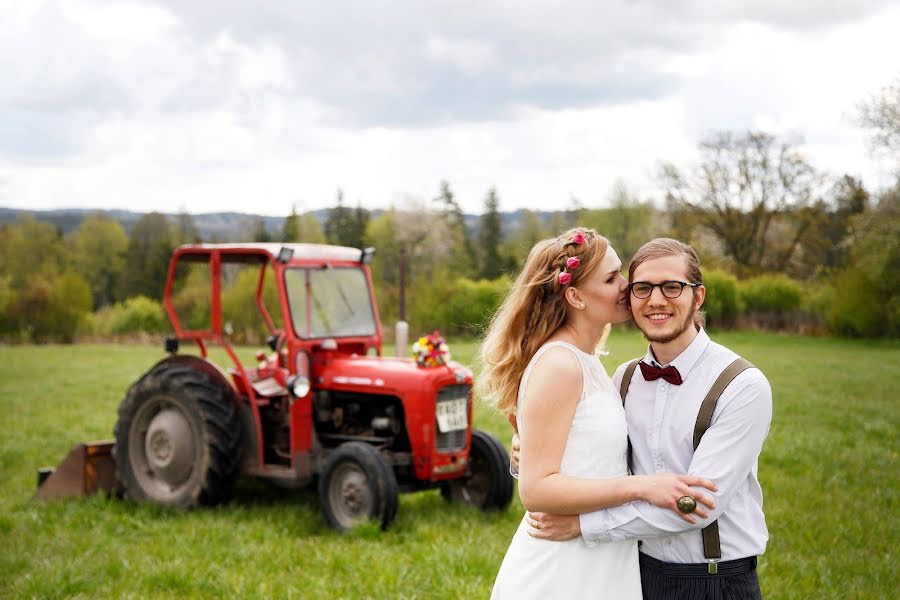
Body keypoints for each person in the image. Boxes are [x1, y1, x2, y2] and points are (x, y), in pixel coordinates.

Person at [514, 238, 773, 600]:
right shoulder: (623, 378)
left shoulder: (741, 386)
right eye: (642, 288)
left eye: (672, 287)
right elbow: (585, 447)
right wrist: (526, 452)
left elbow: (697, 504)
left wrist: (585, 525)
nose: (655, 300)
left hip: (713, 582)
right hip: (633, 574)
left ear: (698, 297)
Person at [481, 229, 718, 599]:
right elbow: (536, 489)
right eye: (611, 279)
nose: (627, 287)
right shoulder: (560, 363)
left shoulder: (588, 361)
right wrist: (644, 487)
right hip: (562, 570)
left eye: (621, 273)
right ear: (575, 296)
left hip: (601, 557)